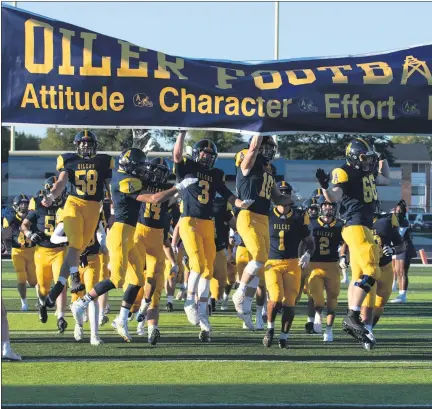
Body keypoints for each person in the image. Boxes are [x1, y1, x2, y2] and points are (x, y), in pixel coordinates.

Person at [72, 148, 197, 343]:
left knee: (137, 279)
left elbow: (156, 191)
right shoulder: (125, 181)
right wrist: (178, 187)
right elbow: (154, 198)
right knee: (117, 279)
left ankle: (122, 319)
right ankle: (81, 303)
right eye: (139, 166)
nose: (142, 169)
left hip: (130, 234)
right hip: (121, 232)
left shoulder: (129, 176)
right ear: (130, 166)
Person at [173, 132, 253, 342]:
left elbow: (227, 194)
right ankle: (189, 301)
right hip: (189, 220)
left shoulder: (216, 174)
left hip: (208, 223)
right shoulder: (188, 166)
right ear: (196, 153)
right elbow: (177, 155)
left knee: (207, 270)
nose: (207, 157)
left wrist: (240, 204)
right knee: (198, 265)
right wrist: (181, 134)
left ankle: (203, 314)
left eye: (210, 154)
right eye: (204, 153)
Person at [316, 137, 390, 348]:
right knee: (372, 272)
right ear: (353, 157)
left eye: (370, 159)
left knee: (358, 276)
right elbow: (333, 196)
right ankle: (352, 315)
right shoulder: (344, 172)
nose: (369, 162)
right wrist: (323, 187)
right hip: (355, 226)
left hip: (363, 226)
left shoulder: (367, 172)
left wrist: (382, 157)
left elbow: (387, 178)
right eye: (364, 158)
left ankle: (353, 316)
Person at [42, 130, 114, 307]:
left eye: (89, 143)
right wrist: (51, 196)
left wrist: (112, 210)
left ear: (94, 146)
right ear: (77, 145)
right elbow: (61, 182)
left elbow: (109, 188)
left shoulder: (104, 161)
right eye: (83, 143)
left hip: (93, 208)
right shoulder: (69, 160)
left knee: (78, 245)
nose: (86, 146)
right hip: (74, 203)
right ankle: (74, 276)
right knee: (75, 244)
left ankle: (57, 289)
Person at [232, 135, 293, 330]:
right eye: (264, 146)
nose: (267, 150)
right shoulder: (248, 165)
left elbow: (277, 198)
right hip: (248, 215)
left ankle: (247, 306)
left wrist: (293, 200)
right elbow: (252, 149)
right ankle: (239, 293)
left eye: (270, 147)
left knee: (263, 263)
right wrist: (260, 129)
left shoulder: (270, 169)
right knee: (258, 256)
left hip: (263, 217)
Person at [263, 181, 314, 348]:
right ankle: (270, 329)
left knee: (290, 301)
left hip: (293, 263)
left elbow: (309, 241)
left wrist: (307, 254)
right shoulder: (267, 215)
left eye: (286, 192)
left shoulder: (299, 216)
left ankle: (284, 336)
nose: (284, 195)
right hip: (272, 262)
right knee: (276, 296)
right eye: (281, 192)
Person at [21, 178, 69, 333]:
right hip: (42, 251)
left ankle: (61, 316)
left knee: (61, 284)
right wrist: (29, 233)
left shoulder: (68, 204)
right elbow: (24, 225)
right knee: (43, 287)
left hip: (61, 249)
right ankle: (42, 304)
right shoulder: (37, 203)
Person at [361, 211, 405, 348]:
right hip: (367, 267)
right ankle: (366, 334)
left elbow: (401, 245)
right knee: (368, 302)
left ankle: (368, 330)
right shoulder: (357, 222)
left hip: (385, 267)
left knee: (380, 305)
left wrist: (392, 249)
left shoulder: (386, 221)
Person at [307, 197, 344, 342]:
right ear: (321, 207)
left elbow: (346, 242)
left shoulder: (340, 225)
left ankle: (328, 329)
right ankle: (317, 314)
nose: (328, 208)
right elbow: (305, 241)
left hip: (332, 266)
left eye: (331, 206)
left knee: (332, 299)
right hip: (315, 265)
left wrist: (343, 256)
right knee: (317, 297)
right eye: (326, 205)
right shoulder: (312, 224)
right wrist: (304, 255)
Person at [2, 194, 37, 311]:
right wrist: (7, 246)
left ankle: (41, 301)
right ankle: (24, 303)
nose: (24, 206)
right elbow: (6, 234)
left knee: (34, 281)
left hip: (32, 250)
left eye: (26, 203)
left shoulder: (33, 216)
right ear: (16, 205)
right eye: (21, 203)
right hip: (17, 251)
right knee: (21, 277)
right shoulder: (11, 217)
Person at [390, 200, 417, 303]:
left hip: (405, 248)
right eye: (396, 210)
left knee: (402, 272)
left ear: (403, 211)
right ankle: (400, 294)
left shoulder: (404, 221)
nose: (397, 212)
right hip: (399, 249)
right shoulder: (397, 220)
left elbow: (399, 236)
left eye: (399, 210)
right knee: (397, 271)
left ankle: (403, 295)